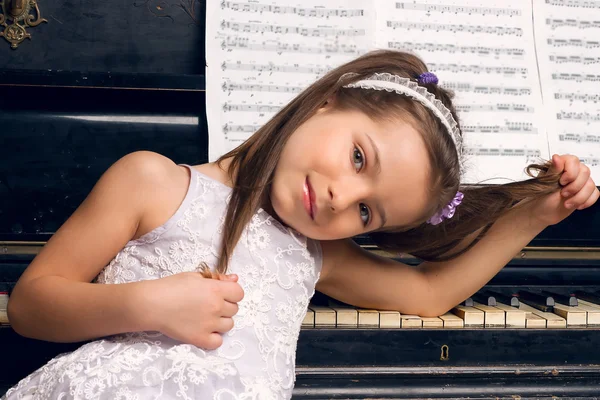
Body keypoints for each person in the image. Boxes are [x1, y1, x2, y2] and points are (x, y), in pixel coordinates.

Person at [3, 49, 598, 400]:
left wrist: (538, 215)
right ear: (325, 103)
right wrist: (148, 305)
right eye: (359, 157)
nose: (344, 196)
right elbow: (32, 305)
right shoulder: (155, 181)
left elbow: (429, 293)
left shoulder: (315, 252)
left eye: (368, 212)